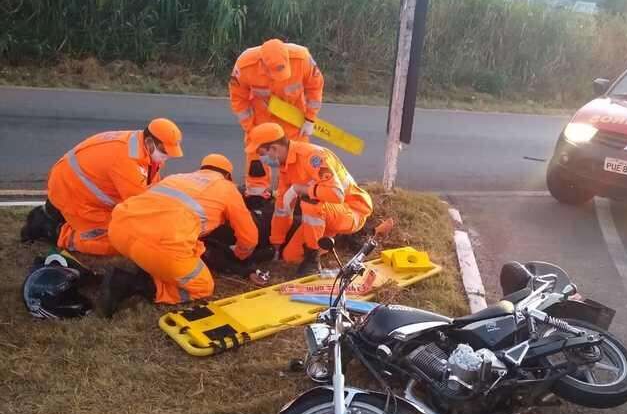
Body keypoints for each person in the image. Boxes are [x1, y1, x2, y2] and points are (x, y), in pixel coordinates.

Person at [100, 154, 258, 317]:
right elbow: (249, 237)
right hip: (160, 243)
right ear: (228, 176)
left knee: (159, 250)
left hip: (119, 231)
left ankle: (149, 266)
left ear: (202, 169)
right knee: (203, 287)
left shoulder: (176, 178)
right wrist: (240, 254)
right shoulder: (227, 188)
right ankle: (132, 284)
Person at [21, 119, 183, 256]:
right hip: (72, 192)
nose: (167, 156)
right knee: (118, 240)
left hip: (74, 184)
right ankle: (51, 231)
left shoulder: (142, 147)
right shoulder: (127, 161)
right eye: (164, 151)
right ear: (149, 142)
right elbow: (139, 207)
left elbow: (151, 186)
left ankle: (60, 216)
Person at [246, 123, 372, 275]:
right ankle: (329, 241)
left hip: (353, 210)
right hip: (327, 216)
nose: (262, 159)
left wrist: (301, 189)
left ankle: (313, 261)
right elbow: (282, 209)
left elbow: (337, 194)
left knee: (309, 203)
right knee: (291, 257)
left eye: (262, 153)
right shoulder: (286, 167)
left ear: (274, 148)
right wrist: (276, 244)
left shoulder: (312, 157)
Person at [229, 38, 324, 201]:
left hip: (292, 115)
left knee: (299, 155)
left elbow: (315, 87)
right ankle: (257, 194)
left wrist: (310, 119)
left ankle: (298, 193)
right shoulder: (245, 65)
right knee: (256, 153)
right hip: (262, 116)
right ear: (262, 64)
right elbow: (238, 98)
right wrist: (250, 128)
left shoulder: (302, 59)